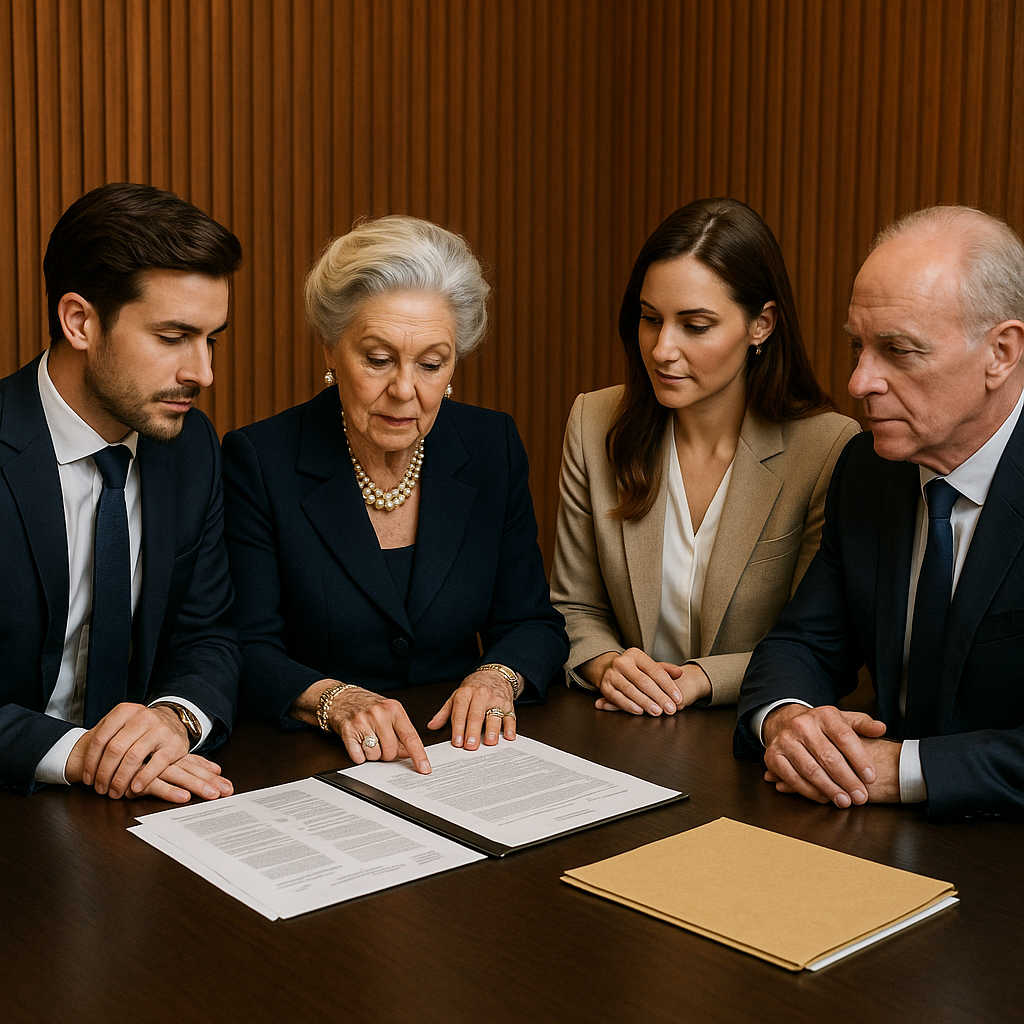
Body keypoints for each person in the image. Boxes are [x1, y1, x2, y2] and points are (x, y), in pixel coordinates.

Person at [222, 215, 567, 774]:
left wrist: (497, 675)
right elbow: (245, 647)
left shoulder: (490, 445)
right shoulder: (260, 459)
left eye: (432, 364)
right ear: (332, 352)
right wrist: (334, 699)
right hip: (311, 762)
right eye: (377, 359)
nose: (405, 390)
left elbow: (532, 621)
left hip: (465, 755)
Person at [735, 205, 1024, 819]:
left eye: (898, 350)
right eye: (858, 346)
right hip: (871, 838)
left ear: (1001, 352)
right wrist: (789, 722)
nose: (859, 381)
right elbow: (803, 643)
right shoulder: (868, 469)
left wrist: (903, 769)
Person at [550, 198, 859, 715]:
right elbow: (574, 606)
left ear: (761, 324)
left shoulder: (827, 448)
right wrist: (607, 664)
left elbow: (814, 643)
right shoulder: (593, 421)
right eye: (651, 319)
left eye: (695, 326)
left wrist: (699, 679)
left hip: (754, 732)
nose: (662, 349)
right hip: (619, 725)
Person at [0, 181, 243, 801]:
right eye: (172, 338)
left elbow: (208, 634)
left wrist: (173, 718)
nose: (203, 373)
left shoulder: (191, 448)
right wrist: (81, 754)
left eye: (210, 340)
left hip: (148, 800)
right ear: (79, 321)